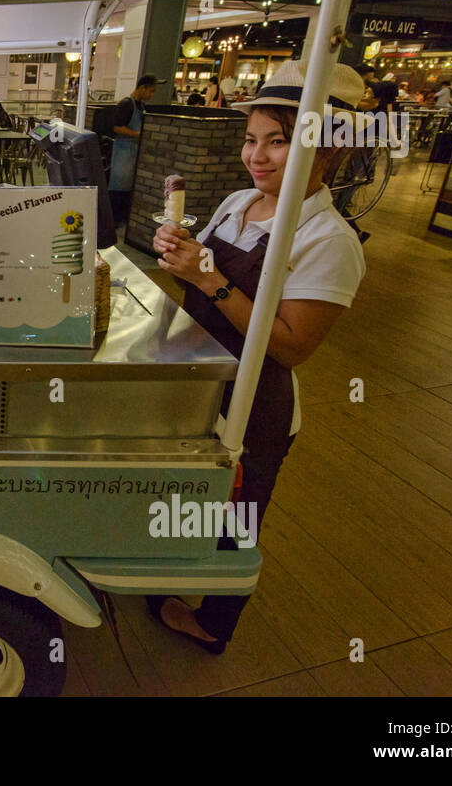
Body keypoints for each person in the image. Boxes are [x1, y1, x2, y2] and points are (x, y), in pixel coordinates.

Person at [148, 59, 367, 654]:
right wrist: (178, 253)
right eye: (252, 140)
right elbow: (198, 277)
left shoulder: (330, 241)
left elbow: (292, 345)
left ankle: (214, 623)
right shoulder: (238, 201)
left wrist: (209, 276)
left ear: (332, 151)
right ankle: (166, 569)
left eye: (281, 142)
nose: (258, 156)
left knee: (237, 516)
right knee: (191, 493)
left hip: (255, 401)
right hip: (198, 378)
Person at [108, 74, 162, 221]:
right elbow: (117, 127)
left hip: (133, 153)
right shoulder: (126, 104)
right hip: (122, 152)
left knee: (127, 189)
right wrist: (138, 134)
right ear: (142, 88)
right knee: (117, 187)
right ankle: (113, 220)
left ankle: (121, 218)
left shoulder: (141, 106)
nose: (151, 95)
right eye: (151, 91)